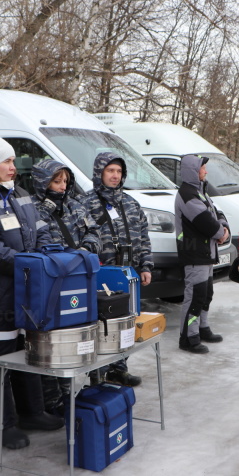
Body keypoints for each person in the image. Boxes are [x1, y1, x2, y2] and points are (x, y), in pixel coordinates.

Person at [0, 135, 62, 450]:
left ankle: (33, 412)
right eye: (6, 161)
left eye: (13, 160)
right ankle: (3, 425)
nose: (12, 167)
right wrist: (30, 265)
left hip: (29, 291)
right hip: (1, 293)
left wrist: (43, 260)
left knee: (28, 350)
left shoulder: (20, 194)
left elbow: (42, 229)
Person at [32, 158, 100, 407]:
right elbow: (39, 243)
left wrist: (85, 249)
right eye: (56, 181)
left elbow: (94, 232)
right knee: (54, 339)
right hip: (53, 283)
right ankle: (52, 400)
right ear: (42, 182)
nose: (62, 187)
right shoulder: (34, 207)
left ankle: (70, 394)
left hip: (80, 278)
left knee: (75, 336)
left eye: (65, 181)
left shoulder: (76, 205)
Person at [80, 151, 151, 385]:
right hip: (100, 274)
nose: (115, 176)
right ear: (99, 173)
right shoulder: (85, 203)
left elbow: (143, 237)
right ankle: (97, 373)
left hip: (127, 273)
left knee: (125, 321)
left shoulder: (131, 203)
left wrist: (145, 266)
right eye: (110, 170)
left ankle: (119, 368)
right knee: (101, 323)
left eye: (119, 171)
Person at [175, 154, 230, 354]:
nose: (206, 171)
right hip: (194, 254)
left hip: (205, 253)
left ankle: (202, 328)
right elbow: (205, 221)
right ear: (193, 171)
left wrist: (223, 228)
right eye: (203, 168)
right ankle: (188, 338)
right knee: (195, 296)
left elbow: (218, 213)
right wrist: (220, 232)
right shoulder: (187, 194)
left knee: (206, 294)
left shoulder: (200, 192)